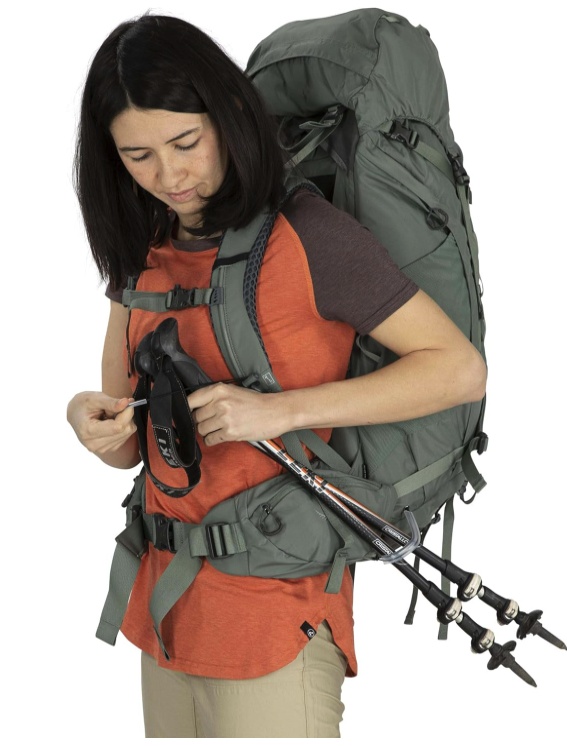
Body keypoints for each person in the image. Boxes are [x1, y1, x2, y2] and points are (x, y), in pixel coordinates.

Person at [66, 13, 487, 739]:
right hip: (166, 612)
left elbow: (457, 370)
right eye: (138, 155)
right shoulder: (143, 249)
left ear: (227, 117)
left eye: (185, 143)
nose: (169, 175)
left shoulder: (307, 234)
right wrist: (87, 417)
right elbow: (130, 440)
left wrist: (281, 411)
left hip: (274, 618)